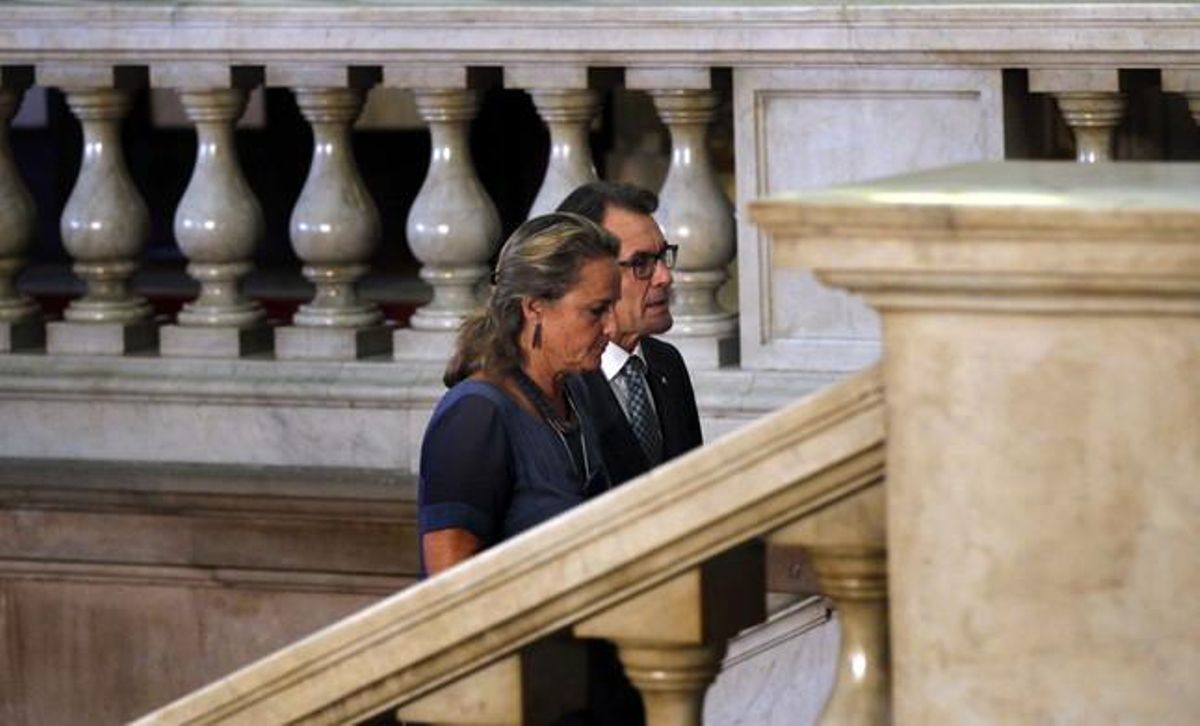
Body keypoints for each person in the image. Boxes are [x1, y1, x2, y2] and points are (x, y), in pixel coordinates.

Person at [418, 212, 620, 575]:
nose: (612, 326)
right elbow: (447, 590)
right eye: (596, 311)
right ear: (535, 307)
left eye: (612, 307)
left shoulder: (577, 390)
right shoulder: (476, 417)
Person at [556, 182, 703, 486]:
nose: (665, 277)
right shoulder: (558, 376)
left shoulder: (667, 363)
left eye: (663, 256)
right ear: (586, 273)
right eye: (641, 263)